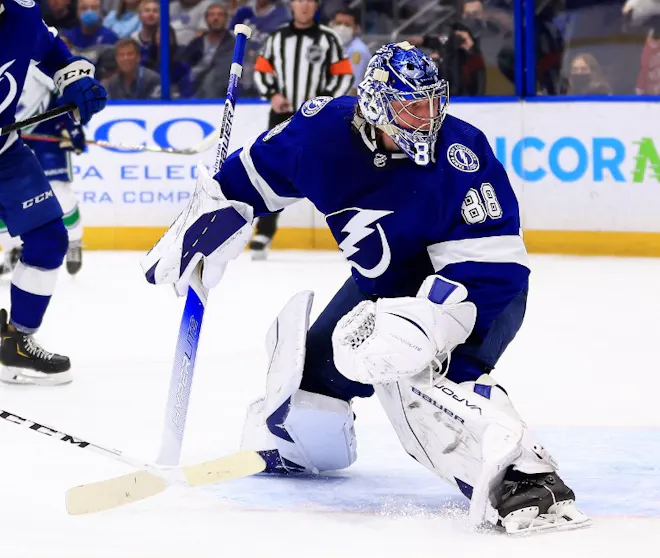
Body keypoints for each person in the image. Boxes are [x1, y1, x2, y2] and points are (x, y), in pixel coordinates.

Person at [141, 42, 589, 535]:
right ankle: (300, 452)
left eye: (433, 102)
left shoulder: (462, 155)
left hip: (475, 296)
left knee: (416, 378)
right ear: (375, 105)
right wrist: (210, 218)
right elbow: (251, 178)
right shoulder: (321, 133)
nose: (428, 118)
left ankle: (524, 476)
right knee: (304, 396)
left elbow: (493, 269)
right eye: (411, 106)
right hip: (378, 290)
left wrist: (424, 328)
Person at [0, 0, 108, 384]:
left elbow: (49, 50)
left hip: (5, 151)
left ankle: (16, 344)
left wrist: (73, 79)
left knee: (48, 238)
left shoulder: (21, 13)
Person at [250, 0, 353, 259]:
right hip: (282, 115)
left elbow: (343, 74)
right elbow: (262, 70)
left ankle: (352, 235)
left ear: (316, 5)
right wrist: (273, 95)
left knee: (334, 174)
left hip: (319, 118)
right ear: (292, 5)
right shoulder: (277, 38)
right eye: (299, 0)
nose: (304, 5)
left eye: (309, 1)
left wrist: (325, 102)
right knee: (272, 172)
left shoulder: (329, 39)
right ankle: (264, 231)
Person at [0, 64, 88, 280]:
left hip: (45, 133)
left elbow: (64, 89)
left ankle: (74, 239)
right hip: (8, 139)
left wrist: (69, 124)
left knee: (58, 193)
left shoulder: (28, 56)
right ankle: (13, 248)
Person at [329, 8, 371, 90]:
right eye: (338, 23)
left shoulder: (358, 51)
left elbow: (353, 89)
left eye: (347, 25)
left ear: (355, 28)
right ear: (331, 24)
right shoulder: (331, 45)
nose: (342, 28)